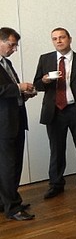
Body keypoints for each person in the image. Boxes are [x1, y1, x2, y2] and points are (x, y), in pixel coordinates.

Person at [34, 27, 76, 199]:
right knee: (56, 150)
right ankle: (56, 184)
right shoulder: (45, 59)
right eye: (55, 38)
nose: (58, 41)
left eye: (62, 37)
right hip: (54, 111)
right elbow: (37, 84)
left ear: (70, 39)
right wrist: (44, 80)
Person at [0, 27, 36, 221]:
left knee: (14, 165)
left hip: (16, 120)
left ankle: (6, 201)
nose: (14, 49)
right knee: (7, 166)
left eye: (15, 45)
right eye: (11, 45)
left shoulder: (6, 63)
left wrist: (24, 94)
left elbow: (9, 93)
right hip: (3, 125)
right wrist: (18, 87)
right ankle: (13, 208)